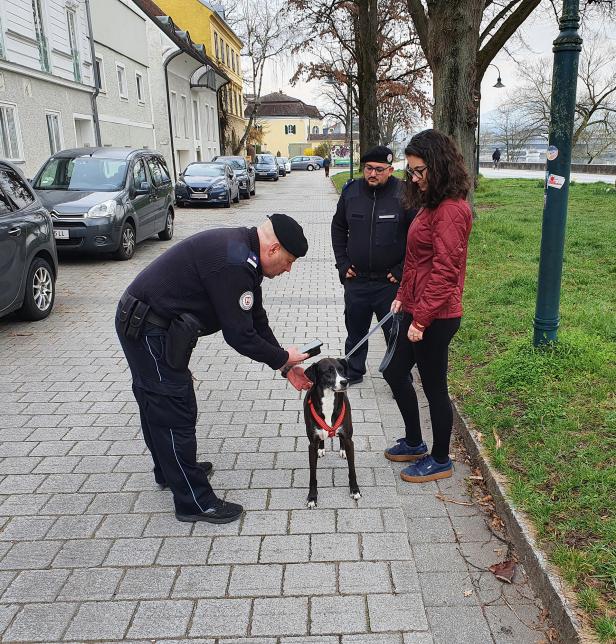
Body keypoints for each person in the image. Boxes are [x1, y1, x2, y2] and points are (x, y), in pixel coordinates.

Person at [115, 214, 312, 523]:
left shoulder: (244, 253)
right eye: (289, 262)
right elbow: (239, 335)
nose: (288, 270)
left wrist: (285, 364)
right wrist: (278, 358)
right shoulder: (234, 263)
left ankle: (170, 470)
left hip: (155, 323)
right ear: (273, 249)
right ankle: (193, 501)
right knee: (172, 405)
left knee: (160, 399)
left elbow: (255, 319)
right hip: (146, 326)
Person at [383, 129, 472, 483]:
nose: (415, 178)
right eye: (411, 171)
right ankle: (415, 442)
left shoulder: (451, 209)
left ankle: (440, 459)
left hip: (437, 314)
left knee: (434, 386)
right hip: (417, 307)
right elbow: (417, 260)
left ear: (438, 165)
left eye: (420, 171)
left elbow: (444, 272)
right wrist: (403, 294)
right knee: (393, 370)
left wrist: (420, 320)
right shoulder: (430, 205)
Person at [331, 145, 415, 384]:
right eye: (368, 168)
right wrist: (342, 263)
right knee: (355, 328)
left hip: (389, 282)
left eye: (379, 169)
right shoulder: (351, 192)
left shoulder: (405, 194)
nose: (373, 174)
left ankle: (399, 374)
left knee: (394, 333)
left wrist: (401, 270)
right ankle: (354, 371)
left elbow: (416, 237)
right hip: (356, 279)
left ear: (390, 170)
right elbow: (338, 227)